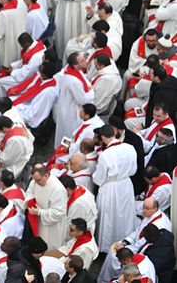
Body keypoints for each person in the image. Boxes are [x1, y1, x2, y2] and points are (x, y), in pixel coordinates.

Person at [93, 124, 139, 252]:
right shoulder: (130, 148)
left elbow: (99, 178)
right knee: (124, 215)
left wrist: (93, 175)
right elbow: (134, 169)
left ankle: (107, 246)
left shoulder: (105, 154)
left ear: (103, 137)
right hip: (125, 185)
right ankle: (125, 242)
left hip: (111, 188)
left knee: (110, 217)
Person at [0, 33, 46, 105]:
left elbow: (27, 73)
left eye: (22, 45)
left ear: (26, 43)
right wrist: (12, 66)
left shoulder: (36, 56)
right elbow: (24, 60)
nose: (21, 47)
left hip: (28, 78)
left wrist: (12, 72)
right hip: (23, 72)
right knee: (2, 74)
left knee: (1, 82)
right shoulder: (34, 45)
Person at [54, 53, 94, 147]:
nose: (86, 61)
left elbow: (84, 81)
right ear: (76, 65)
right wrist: (92, 91)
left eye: (84, 58)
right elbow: (82, 100)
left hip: (67, 104)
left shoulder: (71, 69)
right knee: (70, 132)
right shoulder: (73, 81)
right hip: (72, 111)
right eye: (83, 60)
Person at [27, 166, 68, 248]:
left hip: (51, 227)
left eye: (38, 180)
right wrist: (31, 201)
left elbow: (59, 212)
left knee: (49, 247)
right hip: (38, 220)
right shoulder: (36, 181)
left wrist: (39, 212)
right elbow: (29, 192)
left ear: (45, 175)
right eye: (34, 180)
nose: (36, 182)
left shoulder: (58, 189)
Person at [13, 63, 60, 129]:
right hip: (30, 105)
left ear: (43, 75)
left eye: (40, 73)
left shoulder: (47, 92)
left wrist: (16, 111)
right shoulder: (50, 81)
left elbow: (34, 114)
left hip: (32, 117)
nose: (38, 74)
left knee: (4, 112)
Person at [0, 0, 27, 67]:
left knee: (7, 60)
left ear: (5, 0)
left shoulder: (3, 14)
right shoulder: (20, 3)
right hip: (20, 36)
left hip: (8, 41)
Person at [0, 116, 34, 180]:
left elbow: (6, 160)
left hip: (14, 165)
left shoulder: (14, 140)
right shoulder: (18, 125)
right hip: (21, 152)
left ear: (4, 128)